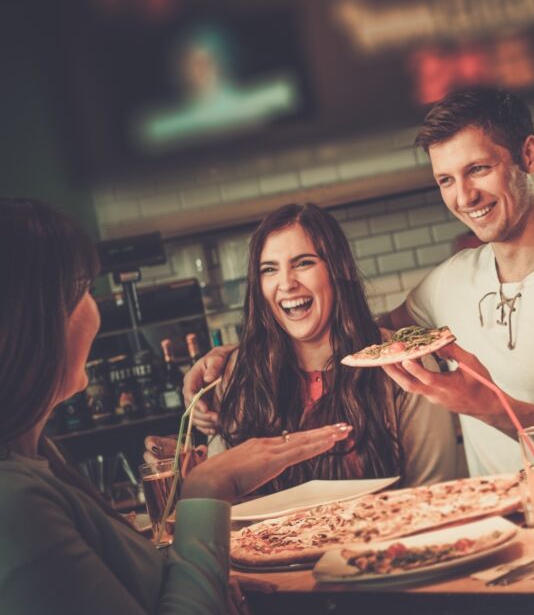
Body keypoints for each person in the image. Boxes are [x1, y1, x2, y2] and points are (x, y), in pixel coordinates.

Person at [184, 89, 534, 478]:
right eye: (445, 180)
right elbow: (357, 332)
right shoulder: (452, 281)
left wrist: (494, 409)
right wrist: (233, 355)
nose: (464, 196)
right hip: (510, 532)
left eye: (478, 169)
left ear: (530, 155)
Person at [0, 198, 349, 615]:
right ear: (33, 323)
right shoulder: (15, 509)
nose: (96, 310)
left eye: (303, 263)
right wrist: (205, 489)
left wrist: (198, 575)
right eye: (85, 291)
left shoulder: (38, 459)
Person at [188, 203, 458, 491]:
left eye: (303, 263)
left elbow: (432, 492)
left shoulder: (405, 364)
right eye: (269, 269)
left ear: (339, 269)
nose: (286, 283)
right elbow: (222, 500)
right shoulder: (235, 375)